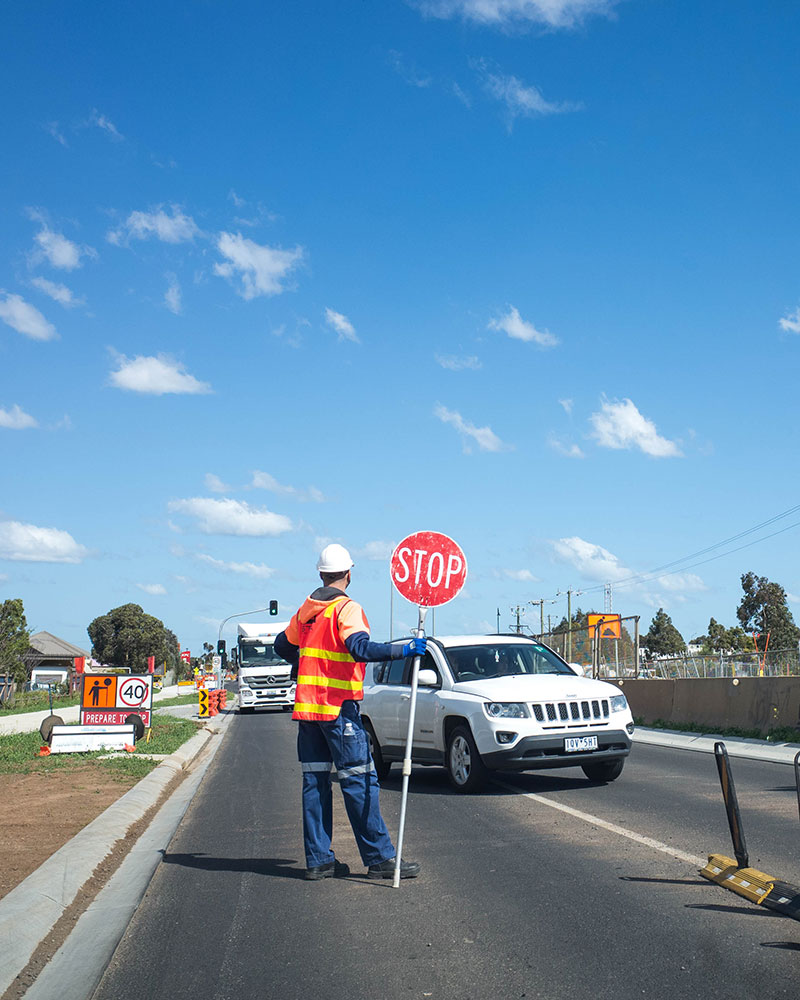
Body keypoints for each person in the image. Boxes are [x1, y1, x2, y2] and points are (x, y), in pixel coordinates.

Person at [274, 543, 426, 881]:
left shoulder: (307, 611)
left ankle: (318, 861)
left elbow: (282, 645)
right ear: (348, 573)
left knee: (314, 784)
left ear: (321, 574)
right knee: (360, 782)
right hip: (338, 709)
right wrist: (404, 650)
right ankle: (380, 858)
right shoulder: (347, 609)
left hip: (308, 711)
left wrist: (304, 662)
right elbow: (359, 648)